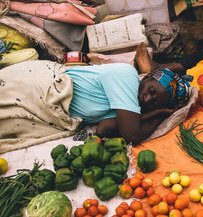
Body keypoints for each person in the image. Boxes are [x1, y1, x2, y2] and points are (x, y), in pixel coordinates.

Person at [0, 59, 191, 153]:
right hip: (38, 86)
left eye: (155, 102)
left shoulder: (132, 107)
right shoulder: (126, 76)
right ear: (147, 77)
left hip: (48, 107)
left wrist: (156, 113)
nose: (148, 99)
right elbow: (132, 135)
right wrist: (160, 112)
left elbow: (104, 128)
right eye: (150, 91)